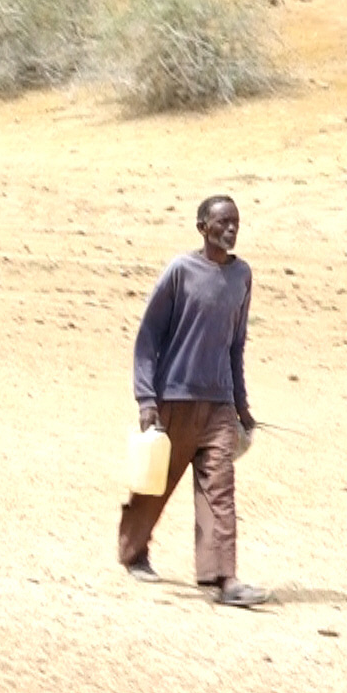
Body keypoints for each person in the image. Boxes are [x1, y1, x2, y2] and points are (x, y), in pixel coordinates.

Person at [119, 195, 270, 608]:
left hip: (218, 402)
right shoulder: (180, 271)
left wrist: (241, 405)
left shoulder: (241, 276)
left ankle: (223, 578)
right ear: (202, 226)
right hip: (175, 396)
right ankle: (133, 549)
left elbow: (236, 345)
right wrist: (146, 398)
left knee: (219, 489)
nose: (231, 229)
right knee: (157, 483)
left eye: (235, 222)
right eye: (222, 222)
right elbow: (148, 337)